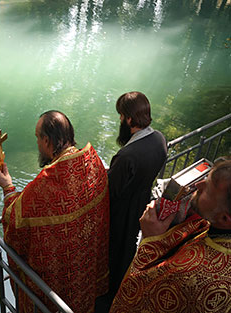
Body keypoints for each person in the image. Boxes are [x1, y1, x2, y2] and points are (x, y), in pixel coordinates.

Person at [0, 110, 110, 313]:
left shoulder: (46, 183)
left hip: (59, 283)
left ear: (47, 140)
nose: (37, 143)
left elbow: (15, 221)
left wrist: (8, 188)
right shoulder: (93, 162)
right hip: (85, 271)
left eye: (37, 138)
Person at [111, 159, 231, 312]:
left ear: (225, 219)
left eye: (207, 190)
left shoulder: (190, 275)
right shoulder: (216, 229)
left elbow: (135, 295)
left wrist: (149, 241)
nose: (198, 185)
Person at [98, 91, 167, 311]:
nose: (120, 120)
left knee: (116, 251)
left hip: (122, 212)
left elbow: (111, 191)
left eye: (120, 116)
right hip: (142, 201)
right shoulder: (159, 139)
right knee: (129, 248)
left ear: (129, 119)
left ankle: (110, 296)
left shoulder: (127, 156)